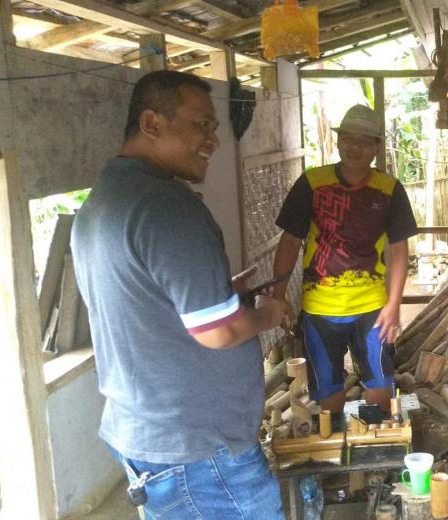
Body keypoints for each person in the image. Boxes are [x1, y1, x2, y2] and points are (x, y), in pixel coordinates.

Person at [71, 70, 286, 519]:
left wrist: (221, 294)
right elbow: (218, 332)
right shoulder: (166, 206)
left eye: (214, 127)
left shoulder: (106, 199)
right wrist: (269, 313)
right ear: (151, 123)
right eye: (201, 124)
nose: (213, 139)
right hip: (199, 453)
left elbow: (145, 300)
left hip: (151, 434)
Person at [272, 104, 417, 426]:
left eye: (365, 141)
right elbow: (290, 242)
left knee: (380, 386)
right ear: (338, 141)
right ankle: (336, 443)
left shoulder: (390, 190)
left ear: (377, 147)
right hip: (320, 308)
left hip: (372, 307)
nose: (355, 147)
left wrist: (394, 305)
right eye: (349, 138)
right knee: (328, 390)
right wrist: (278, 296)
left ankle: (376, 439)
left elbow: (399, 251)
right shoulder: (311, 184)